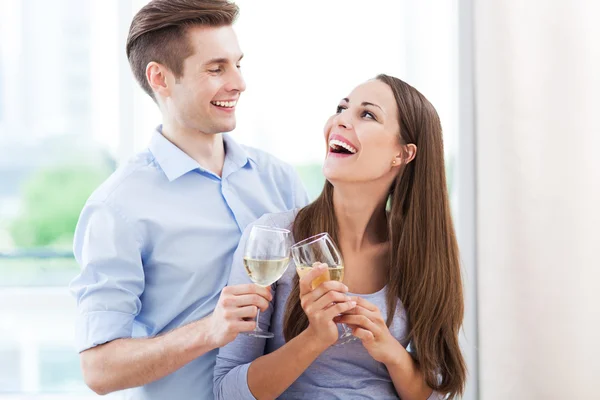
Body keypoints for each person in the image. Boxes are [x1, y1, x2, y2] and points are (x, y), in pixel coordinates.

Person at [69, 1, 309, 399]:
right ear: (160, 78)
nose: (238, 82)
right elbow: (99, 369)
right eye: (216, 69)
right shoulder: (117, 208)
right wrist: (208, 331)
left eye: (237, 64)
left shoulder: (279, 178)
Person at [214, 74, 467, 400]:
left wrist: (391, 351)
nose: (340, 120)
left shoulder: (420, 253)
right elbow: (226, 392)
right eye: (342, 108)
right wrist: (315, 337)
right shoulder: (274, 240)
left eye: (367, 115)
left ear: (403, 154)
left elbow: (436, 392)